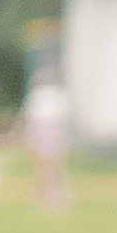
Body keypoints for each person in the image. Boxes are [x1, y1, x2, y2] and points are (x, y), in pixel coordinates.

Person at [23, 65, 72, 212]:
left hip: (49, 128)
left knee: (50, 165)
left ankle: (53, 195)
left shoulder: (53, 95)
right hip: (46, 128)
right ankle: (48, 195)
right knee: (46, 165)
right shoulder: (50, 95)